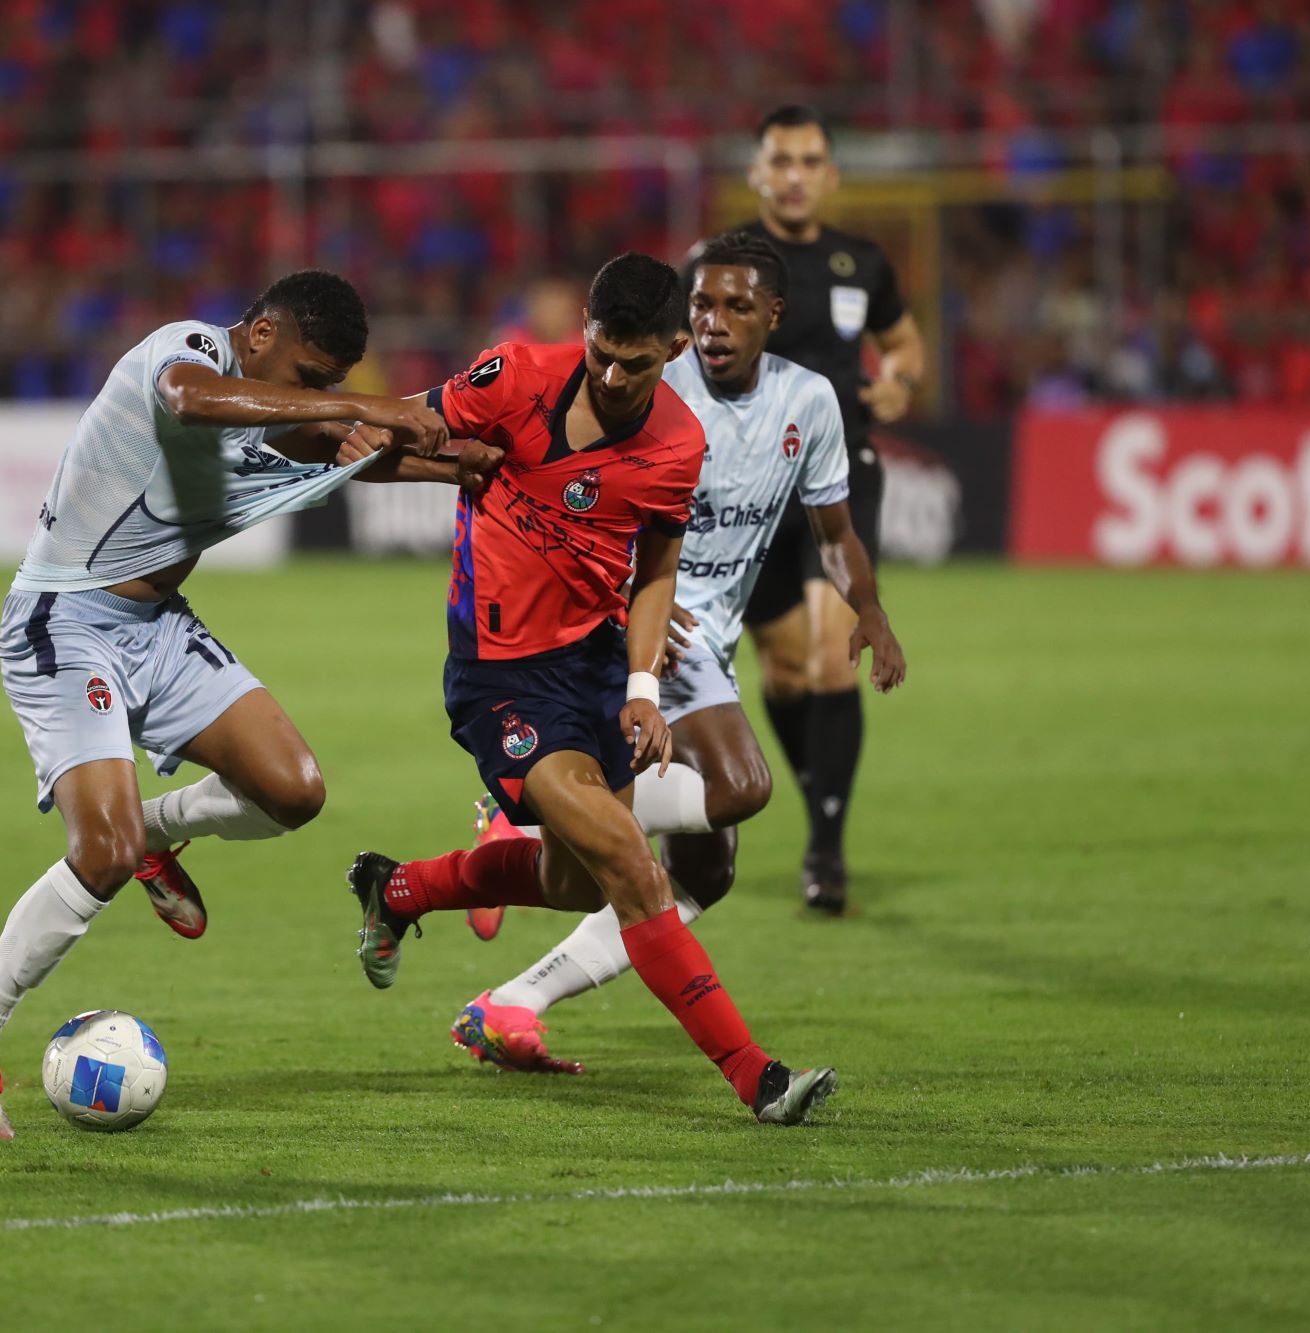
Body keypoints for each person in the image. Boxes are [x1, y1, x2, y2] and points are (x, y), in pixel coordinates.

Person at [0, 270, 453, 1139]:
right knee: (98, 850)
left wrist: (474, 467)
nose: (318, 396)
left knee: (294, 789)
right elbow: (190, 400)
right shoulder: (190, 352)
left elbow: (378, 455)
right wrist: (383, 406)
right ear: (259, 335)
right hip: (69, 616)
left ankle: (156, 834)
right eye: (311, 374)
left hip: (158, 628)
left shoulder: (276, 409)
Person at [339, 252, 838, 1126]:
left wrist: (644, 687)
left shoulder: (679, 444)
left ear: (674, 347)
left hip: (597, 666)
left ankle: (402, 887)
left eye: (635, 362)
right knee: (633, 867)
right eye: (601, 351)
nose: (610, 374)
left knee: (571, 882)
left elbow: (656, 572)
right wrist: (439, 463)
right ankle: (757, 1076)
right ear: (585, 326)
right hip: (499, 675)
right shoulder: (511, 376)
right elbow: (375, 443)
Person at [451, 231, 906, 1075]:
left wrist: (868, 607)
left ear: (774, 314)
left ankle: (515, 997)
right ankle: (538, 803)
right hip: (647, 631)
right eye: (704, 304)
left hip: (712, 637)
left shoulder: (807, 401)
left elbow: (833, 528)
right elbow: (579, 513)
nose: (717, 321)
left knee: (708, 870)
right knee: (741, 785)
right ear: (681, 325)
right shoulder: (644, 389)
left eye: (738, 306)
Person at [728, 103, 926, 914]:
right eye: (782, 160)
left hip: (843, 472)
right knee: (780, 665)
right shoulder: (725, 263)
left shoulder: (862, 263)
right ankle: (821, 813)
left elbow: (906, 342)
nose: (797, 174)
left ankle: (826, 849)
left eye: (811, 160)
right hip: (751, 480)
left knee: (823, 644)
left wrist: (901, 381)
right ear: (757, 172)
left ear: (832, 175)